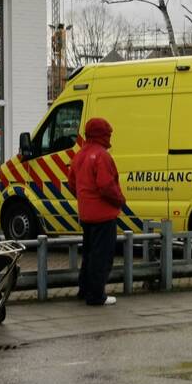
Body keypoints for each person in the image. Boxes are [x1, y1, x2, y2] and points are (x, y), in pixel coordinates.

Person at [67, 118, 124, 306]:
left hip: (86, 214)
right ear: (102, 134)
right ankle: (96, 295)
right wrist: (120, 200)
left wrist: (85, 198)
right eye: (108, 133)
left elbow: (72, 183)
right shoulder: (101, 156)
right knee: (102, 256)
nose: (110, 137)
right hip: (103, 215)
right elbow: (106, 185)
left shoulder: (80, 155)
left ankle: (84, 290)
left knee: (89, 255)